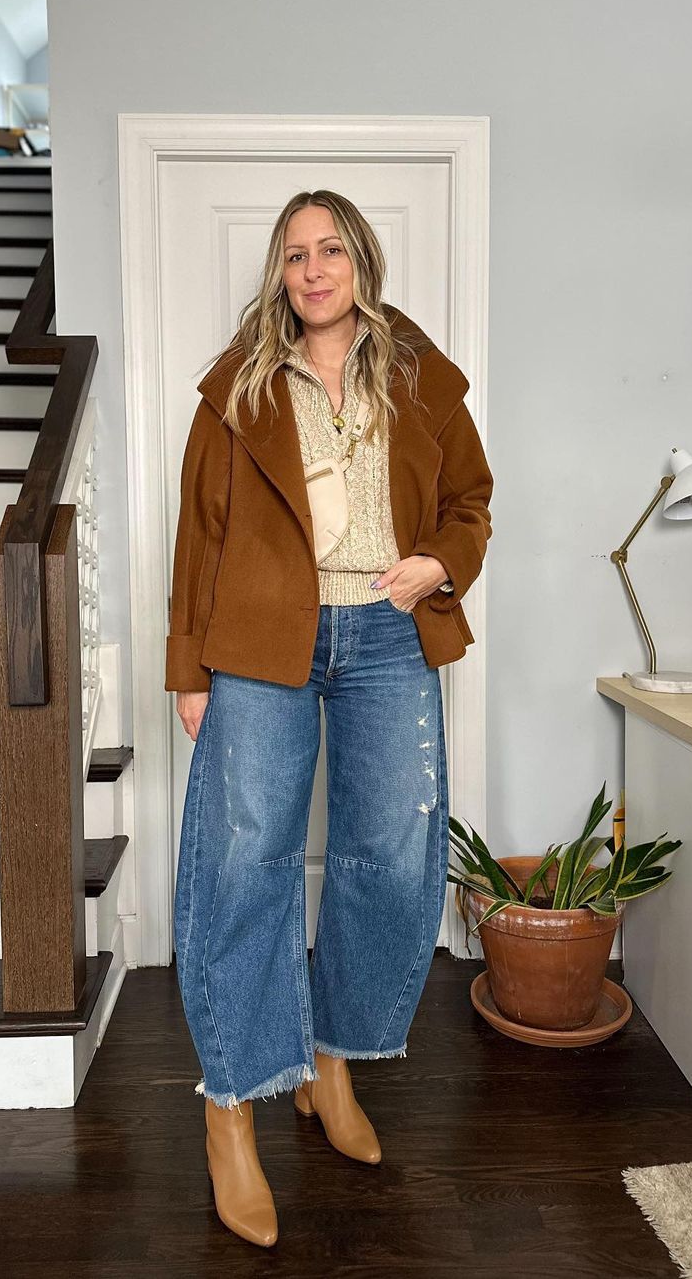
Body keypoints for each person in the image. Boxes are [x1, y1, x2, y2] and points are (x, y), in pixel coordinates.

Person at [165, 188, 494, 1247]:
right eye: (296, 253)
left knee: (391, 857)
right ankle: (231, 1104)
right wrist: (189, 668)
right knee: (244, 861)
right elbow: (200, 534)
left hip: (389, 637)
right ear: (280, 271)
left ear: (362, 262)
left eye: (332, 250)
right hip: (262, 641)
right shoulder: (239, 385)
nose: (314, 270)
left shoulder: (421, 375)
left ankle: (332, 1063)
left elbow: (472, 501)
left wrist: (440, 562)